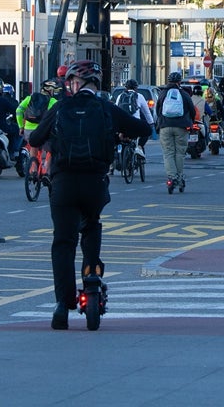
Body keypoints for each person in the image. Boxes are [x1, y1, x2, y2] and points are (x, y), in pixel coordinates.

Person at [26, 60, 150, 330]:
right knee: (91, 225)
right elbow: (144, 129)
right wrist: (119, 135)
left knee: (63, 242)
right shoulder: (106, 108)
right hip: (95, 182)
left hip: (63, 184)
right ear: (96, 84)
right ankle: (91, 277)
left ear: (74, 83)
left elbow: (35, 139)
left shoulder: (60, 108)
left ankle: (63, 304)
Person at [155, 71, 196, 193]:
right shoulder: (184, 94)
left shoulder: (163, 94)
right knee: (180, 153)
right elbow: (192, 110)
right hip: (181, 127)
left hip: (165, 127)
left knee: (168, 153)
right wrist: (190, 122)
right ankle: (179, 177)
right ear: (180, 82)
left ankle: (171, 178)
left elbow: (158, 110)